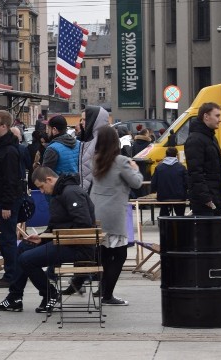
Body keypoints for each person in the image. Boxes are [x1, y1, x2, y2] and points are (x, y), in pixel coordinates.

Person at [0, 167, 96, 314]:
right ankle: (14, 297)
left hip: (77, 247)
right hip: (66, 242)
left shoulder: (71, 192)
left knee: (26, 259)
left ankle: (50, 294)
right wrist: (42, 238)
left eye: (41, 187)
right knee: (24, 246)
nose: (41, 191)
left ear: (49, 179)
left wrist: (51, 236)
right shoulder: (61, 193)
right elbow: (58, 224)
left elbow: (83, 224)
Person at [89, 126, 143, 306]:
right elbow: (136, 183)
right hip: (114, 214)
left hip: (97, 212)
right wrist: (135, 168)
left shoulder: (95, 159)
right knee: (119, 255)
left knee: (104, 254)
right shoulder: (121, 161)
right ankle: (108, 295)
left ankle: (102, 289)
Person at [0, 110, 26, 289]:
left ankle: (12, 274)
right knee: (4, 238)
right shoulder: (1, 145)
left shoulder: (8, 150)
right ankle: (12, 272)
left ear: (4, 126)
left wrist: (7, 205)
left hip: (6, 201)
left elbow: (11, 180)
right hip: (1, 199)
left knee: (7, 238)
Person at [185, 102, 221, 216]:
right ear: (206, 116)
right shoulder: (195, 140)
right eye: (217, 115)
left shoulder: (211, 138)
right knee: (207, 233)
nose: (220, 119)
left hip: (217, 198)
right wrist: (207, 199)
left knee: (217, 233)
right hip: (206, 203)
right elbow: (195, 173)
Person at [79, 106, 110, 192]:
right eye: (81, 119)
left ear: (94, 120)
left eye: (85, 120)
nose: (81, 122)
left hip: (97, 193)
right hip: (88, 191)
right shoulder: (90, 139)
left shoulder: (103, 140)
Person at [150, 146, 187, 217]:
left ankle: (164, 225)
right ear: (176, 155)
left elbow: (154, 183)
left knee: (164, 212)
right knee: (180, 214)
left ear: (166, 155)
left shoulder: (159, 167)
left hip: (163, 196)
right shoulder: (182, 167)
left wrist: (153, 192)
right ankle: (180, 225)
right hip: (179, 196)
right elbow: (186, 183)